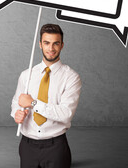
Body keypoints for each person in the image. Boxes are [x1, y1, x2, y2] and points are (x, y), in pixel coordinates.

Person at [11, 23, 82, 168]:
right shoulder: (26, 75)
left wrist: (33, 103)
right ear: (40, 44)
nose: (51, 48)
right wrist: (16, 113)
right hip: (27, 146)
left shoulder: (71, 77)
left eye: (56, 43)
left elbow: (65, 114)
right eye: (47, 43)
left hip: (55, 147)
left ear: (62, 45)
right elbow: (16, 102)